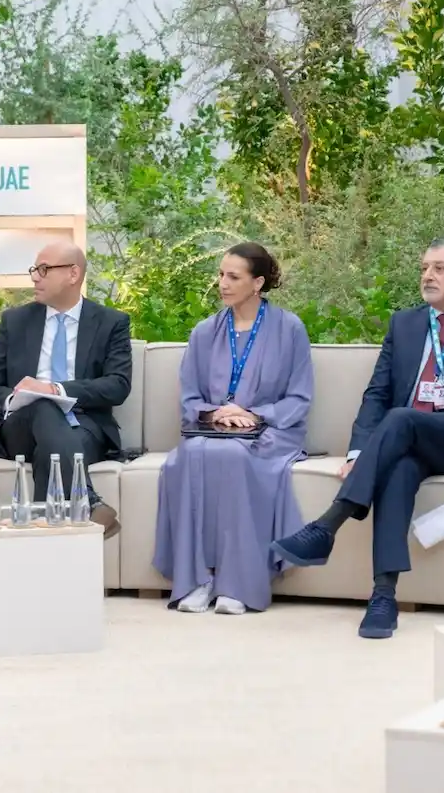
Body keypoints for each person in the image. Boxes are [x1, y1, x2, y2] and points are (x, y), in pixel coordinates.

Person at [271, 238, 444, 639]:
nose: (427, 275)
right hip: (406, 438)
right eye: (424, 267)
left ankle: (327, 526)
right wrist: (358, 453)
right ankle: (383, 596)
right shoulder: (404, 324)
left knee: (402, 420)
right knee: (398, 468)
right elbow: (377, 394)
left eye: (440, 268)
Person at [152, 243, 313, 615]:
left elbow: (299, 398)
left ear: (257, 283)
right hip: (210, 429)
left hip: (270, 431)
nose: (222, 283)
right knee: (186, 457)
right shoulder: (204, 331)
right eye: (221, 274)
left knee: (233, 455)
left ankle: (237, 583)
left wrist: (254, 415)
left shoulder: (289, 329)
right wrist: (218, 415)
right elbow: (190, 399)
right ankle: (197, 579)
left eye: (233, 277)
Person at [0, 241, 128, 537]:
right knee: (41, 406)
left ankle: (47, 554)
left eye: (43, 269)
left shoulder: (111, 322)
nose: (34, 276)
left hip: (83, 427)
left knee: (51, 452)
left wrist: (54, 388)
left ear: (73, 274)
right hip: (21, 427)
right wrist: (17, 398)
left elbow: (118, 385)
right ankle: (89, 501)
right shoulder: (16, 321)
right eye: (34, 269)